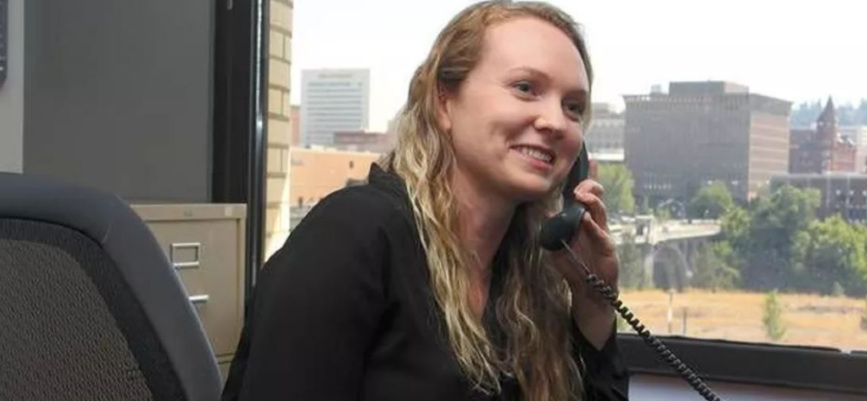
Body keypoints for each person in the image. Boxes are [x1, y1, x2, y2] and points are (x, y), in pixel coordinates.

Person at [220, 1, 628, 400]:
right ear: (443, 102)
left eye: (573, 107)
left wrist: (593, 302)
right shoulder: (352, 235)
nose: (555, 122)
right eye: (525, 88)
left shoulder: (525, 273)